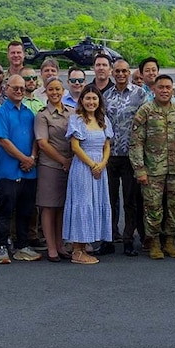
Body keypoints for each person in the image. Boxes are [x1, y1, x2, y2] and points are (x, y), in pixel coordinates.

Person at [130, 74, 175, 260]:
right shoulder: (145, 111)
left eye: (168, 87)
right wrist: (139, 169)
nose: (164, 90)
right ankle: (153, 242)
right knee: (153, 207)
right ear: (154, 89)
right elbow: (136, 142)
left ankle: (169, 241)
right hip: (152, 170)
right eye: (160, 87)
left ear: (172, 89)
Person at [0, 75, 40, 262]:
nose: (19, 91)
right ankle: (2, 247)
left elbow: (36, 139)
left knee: (25, 210)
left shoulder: (29, 113)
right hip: (8, 171)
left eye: (22, 88)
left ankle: (22, 246)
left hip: (29, 172)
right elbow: (3, 141)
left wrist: (33, 158)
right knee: (5, 210)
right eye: (15, 88)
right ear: (7, 88)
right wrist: (24, 159)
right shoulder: (1, 113)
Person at [63, 85, 113, 264]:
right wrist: (92, 164)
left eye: (94, 99)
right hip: (84, 168)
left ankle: (84, 247)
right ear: (81, 101)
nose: (91, 102)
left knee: (94, 203)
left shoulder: (103, 119)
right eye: (88, 99)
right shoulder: (76, 119)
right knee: (82, 204)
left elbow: (107, 145)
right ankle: (77, 251)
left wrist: (102, 164)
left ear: (99, 101)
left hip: (100, 167)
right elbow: (75, 147)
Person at [104, 59, 148, 256]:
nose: (121, 74)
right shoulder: (105, 95)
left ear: (129, 72)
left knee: (130, 200)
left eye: (124, 71)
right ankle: (109, 237)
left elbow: (146, 121)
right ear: (112, 73)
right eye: (117, 71)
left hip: (131, 155)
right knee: (109, 199)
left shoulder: (139, 94)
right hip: (110, 155)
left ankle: (129, 238)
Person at [35, 77, 73, 261]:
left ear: (63, 91)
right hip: (50, 166)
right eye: (51, 89)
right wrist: (63, 160)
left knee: (61, 207)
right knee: (49, 207)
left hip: (69, 166)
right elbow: (42, 143)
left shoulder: (72, 113)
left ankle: (60, 244)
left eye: (58, 89)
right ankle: (50, 247)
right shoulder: (42, 115)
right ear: (45, 92)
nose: (55, 92)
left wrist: (70, 161)